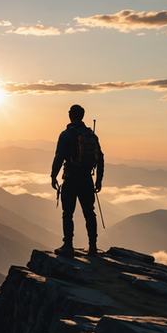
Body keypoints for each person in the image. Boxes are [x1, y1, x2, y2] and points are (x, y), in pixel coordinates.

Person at [50, 104, 104, 256]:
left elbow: (59, 157)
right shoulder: (91, 135)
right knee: (89, 213)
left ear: (70, 115)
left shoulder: (66, 135)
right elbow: (101, 158)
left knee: (68, 213)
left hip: (71, 177)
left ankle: (68, 245)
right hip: (87, 178)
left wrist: (53, 175)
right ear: (82, 116)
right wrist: (98, 180)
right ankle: (92, 247)